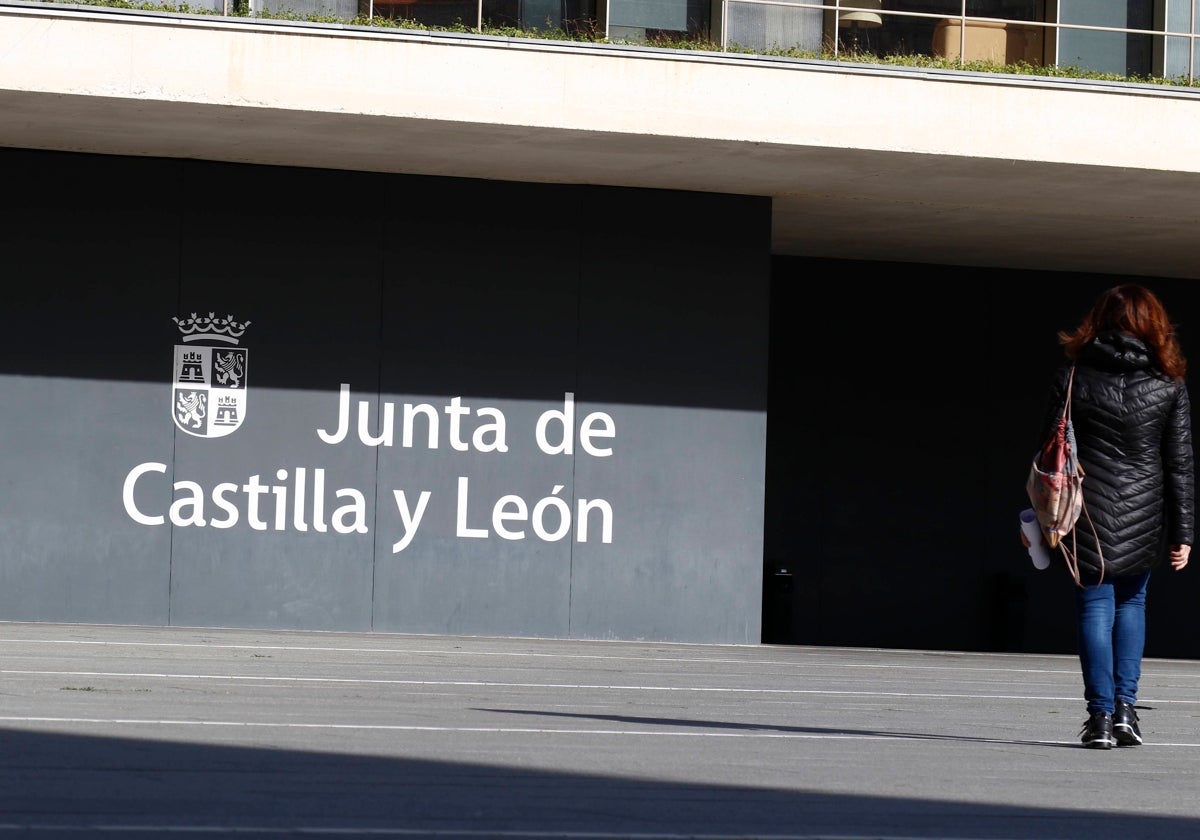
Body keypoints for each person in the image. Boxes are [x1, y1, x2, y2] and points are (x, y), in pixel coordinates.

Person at [1023, 283, 1194, 750]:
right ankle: (1124, 711)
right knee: (1132, 604)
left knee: (1093, 606)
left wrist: (1038, 517)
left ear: (1098, 320)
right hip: (1145, 509)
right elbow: (1179, 462)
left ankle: (1098, 718)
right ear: (1155, 325)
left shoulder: (1074, 375)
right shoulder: (1169, 382)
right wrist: (1184, 532)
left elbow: (1047, 452)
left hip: (1085, 508)